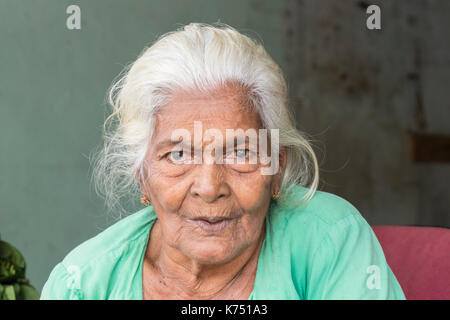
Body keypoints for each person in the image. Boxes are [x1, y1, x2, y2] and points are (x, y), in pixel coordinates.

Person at [40, 23, 405, 300]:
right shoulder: (83, 284)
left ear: (276, 168)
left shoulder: (330, 240)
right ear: (143, 177)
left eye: (241, 153)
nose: (210, 188)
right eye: (179, 155)